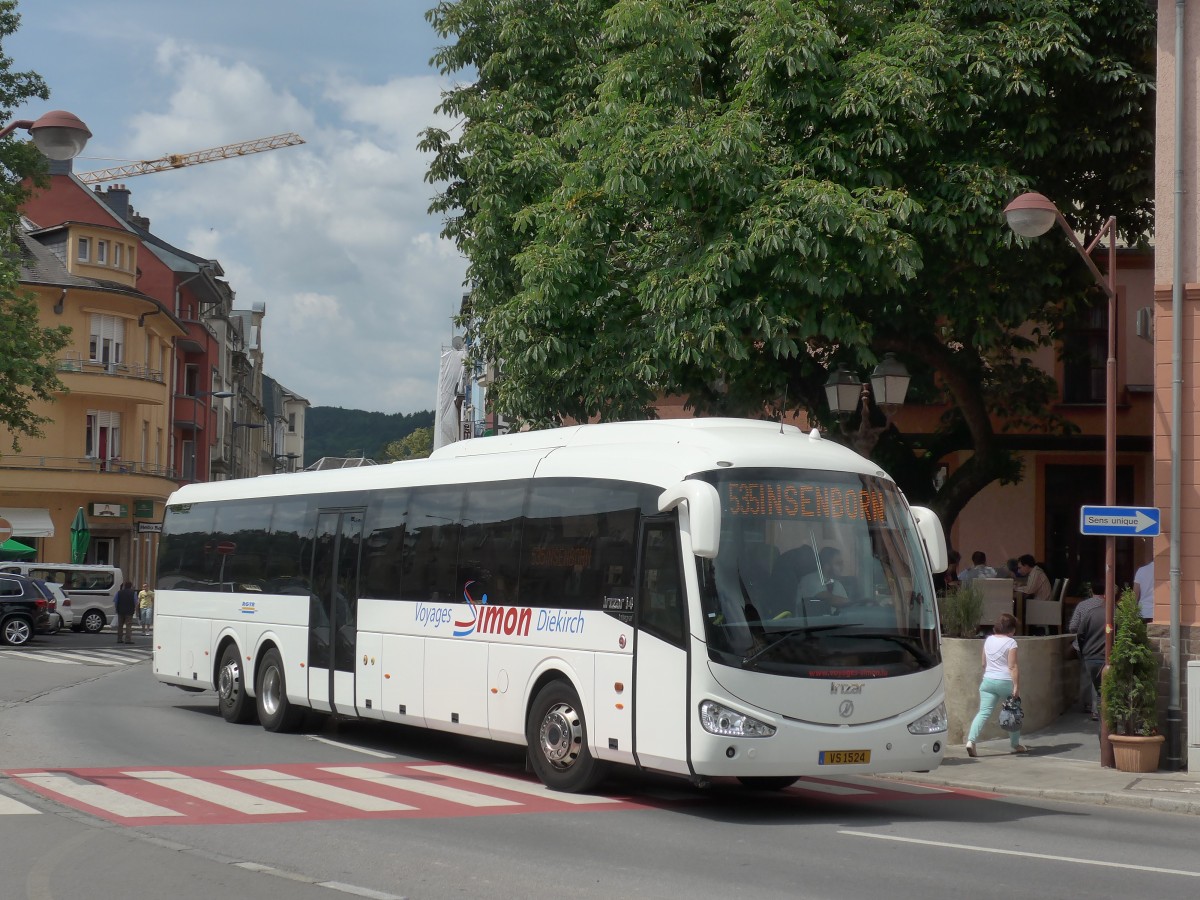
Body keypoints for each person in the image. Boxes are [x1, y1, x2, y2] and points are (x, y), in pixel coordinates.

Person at [965, 612, 1026, 756]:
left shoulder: (989, 640)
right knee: (1013, 712)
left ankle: (970, 741)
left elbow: (983, 663)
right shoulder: (1011, 642)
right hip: (1005, 681)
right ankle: (1015, 745)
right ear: (1011, 629)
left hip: (988, 681)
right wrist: (1016, 687)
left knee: (983, 712)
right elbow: (1012, 667)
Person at [1069, 589, 1106, 721]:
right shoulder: (1109, 607)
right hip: (1102, 649)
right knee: (1099, 680)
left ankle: (1086, 703)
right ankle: (1096, 708)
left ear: (1091, 591)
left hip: (1084, 647)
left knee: (1086, 675)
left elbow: (1073, 627)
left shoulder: (1083, 605)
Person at [1132, 558, 1155, 623]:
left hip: (1143, 611)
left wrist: (1132, 612)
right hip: (1160, 613)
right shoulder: (1165, 571)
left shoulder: (1141, 570)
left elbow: (1135, 593)